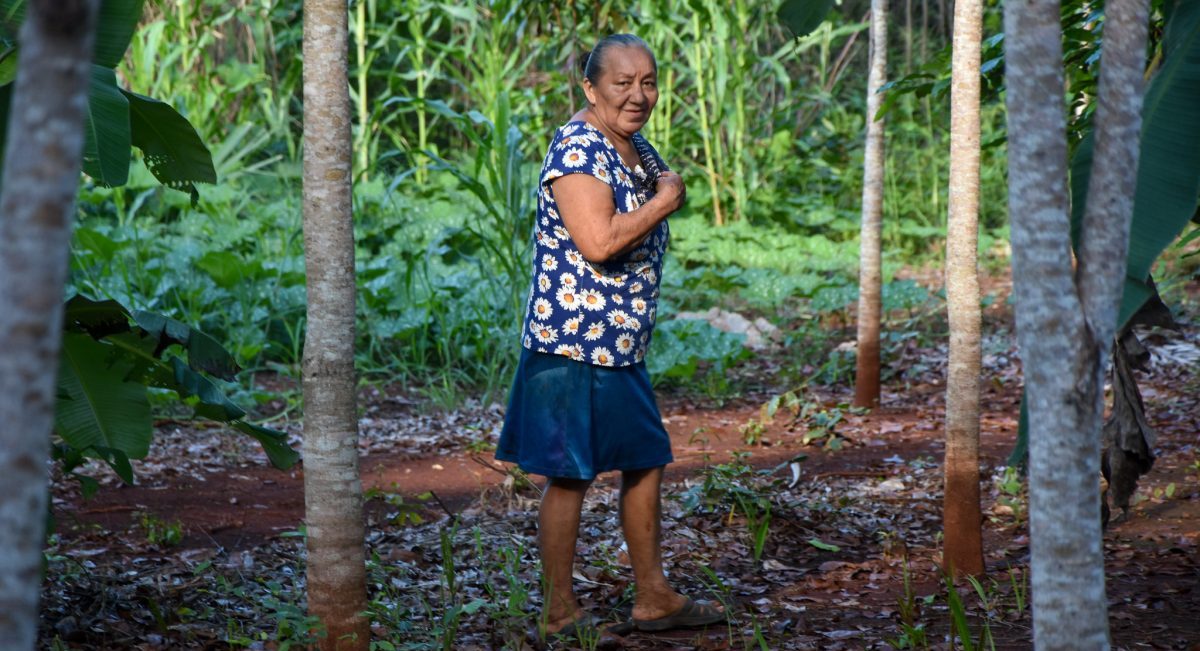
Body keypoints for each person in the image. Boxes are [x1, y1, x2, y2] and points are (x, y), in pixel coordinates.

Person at [495, 34, 725, 640]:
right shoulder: (579, 149)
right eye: (622, 84)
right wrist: (666, 201)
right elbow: (597, 242)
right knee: (570, 474)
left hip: (618, 345)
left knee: (645, 459)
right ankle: (558, 613)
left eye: (647, 82)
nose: (638, 94)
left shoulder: (628, 143)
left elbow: (653, 180)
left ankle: (653, 598)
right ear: (590, 87)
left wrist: (662, 180)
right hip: (573, 343)